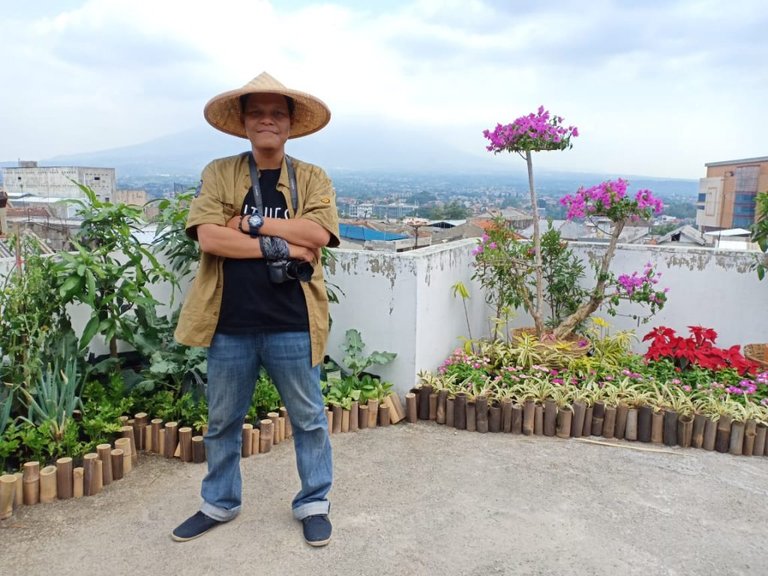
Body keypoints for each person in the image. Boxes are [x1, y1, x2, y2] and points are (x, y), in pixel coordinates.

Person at [172, 72, 340, 546]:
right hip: (230, 323)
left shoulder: (311, 178)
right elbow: (208, 236)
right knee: (223, 420)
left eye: (277, 113)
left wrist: (249, 223)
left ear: (289, 124)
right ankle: (219, 502)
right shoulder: (220, 172)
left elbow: (319, 237)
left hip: (293, 321)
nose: (267, 120)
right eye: (257, 112)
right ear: (244, 122)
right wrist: (280, 247)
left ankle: (314, 500)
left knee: (308, 418)